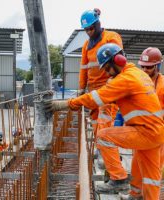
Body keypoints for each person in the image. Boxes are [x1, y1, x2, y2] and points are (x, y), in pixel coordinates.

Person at [44, 43, 164, 200]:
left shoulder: (126, 78)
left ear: (119, 60)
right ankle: (137, 196)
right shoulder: (135, 73)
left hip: (145, 132)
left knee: (103, 135)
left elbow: (95, 97)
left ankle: (119, 177)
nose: (107, 73)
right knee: (149, 176)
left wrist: (65, 104)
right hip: (155, 133)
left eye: (107, 68)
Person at [119, 47, 164, 200]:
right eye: (142, 66)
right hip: (141, 132)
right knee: (136, 166)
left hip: (158, 135)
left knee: (152, 172)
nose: (145, 69)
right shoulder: (137, 81)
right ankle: (135, 195)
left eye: (149, 67)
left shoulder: (163, 85)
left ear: (158, 66)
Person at [79, 9, 123, 162]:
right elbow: (84, 68)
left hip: (108, 88)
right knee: (95, 120)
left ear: (98, 23)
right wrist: (81, 89)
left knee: (105, 121)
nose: (89, 32)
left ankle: (106, 153)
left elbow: (118, 63)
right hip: (93, 90)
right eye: (86, 30)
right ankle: (101, 148)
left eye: (91, 28)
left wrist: (114, 83)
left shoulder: (111, 37)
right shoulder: (86, 45)